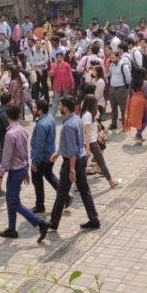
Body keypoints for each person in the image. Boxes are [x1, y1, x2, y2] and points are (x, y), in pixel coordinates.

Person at [0, 105, 50, 242]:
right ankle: (11, 228)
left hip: (15, 171)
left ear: (7, 117)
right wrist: (26, 168)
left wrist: (0, 176)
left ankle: (40, 223)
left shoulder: (10, 134)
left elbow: (6, 157)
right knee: (11, 200)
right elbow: (26, 151)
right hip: (22, 168)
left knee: (13, 202)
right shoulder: (22, 130)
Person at [48, 96, 100, 231]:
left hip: (72, 161)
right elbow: (73, 143)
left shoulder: (68, 125)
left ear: (65, 108)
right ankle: (94, 219)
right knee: (85, 191)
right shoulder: (77, 119)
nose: (59, 108)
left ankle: (53, 222)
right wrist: (58, 153)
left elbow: (71, 149)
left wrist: (72, 169)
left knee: (61, 193)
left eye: (61, 106)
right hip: (81, 158)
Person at [30, 99, 70, 213]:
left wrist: (35, 162)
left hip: (42, 157)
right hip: (50, 154)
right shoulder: (50, 118)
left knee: (37, 180)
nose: (33, 109)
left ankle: (40, 205)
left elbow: (40, 146)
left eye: (35, 108)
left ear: (40, 110)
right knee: (49, 174)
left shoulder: (41, 125)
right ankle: (66, 196)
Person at [81, 95, 121, 188]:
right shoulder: (87, 115)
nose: (96, 104)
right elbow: (87, 132)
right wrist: (87, 148)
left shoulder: (88, 114)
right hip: (90, 143)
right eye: (95, 103)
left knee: (82, 165)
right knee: (100, 162)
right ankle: (111, 181)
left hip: (91, 142)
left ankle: (78, 184)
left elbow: (91, 130)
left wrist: (97, 137)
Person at [123, 65, 147, 144]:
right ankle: (137, 134)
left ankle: (139, 137)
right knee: (146, 120)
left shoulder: (132, 82)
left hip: (133, 101)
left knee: (139, 119)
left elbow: (129, 93)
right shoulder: (145, 83)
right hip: (141, 102)